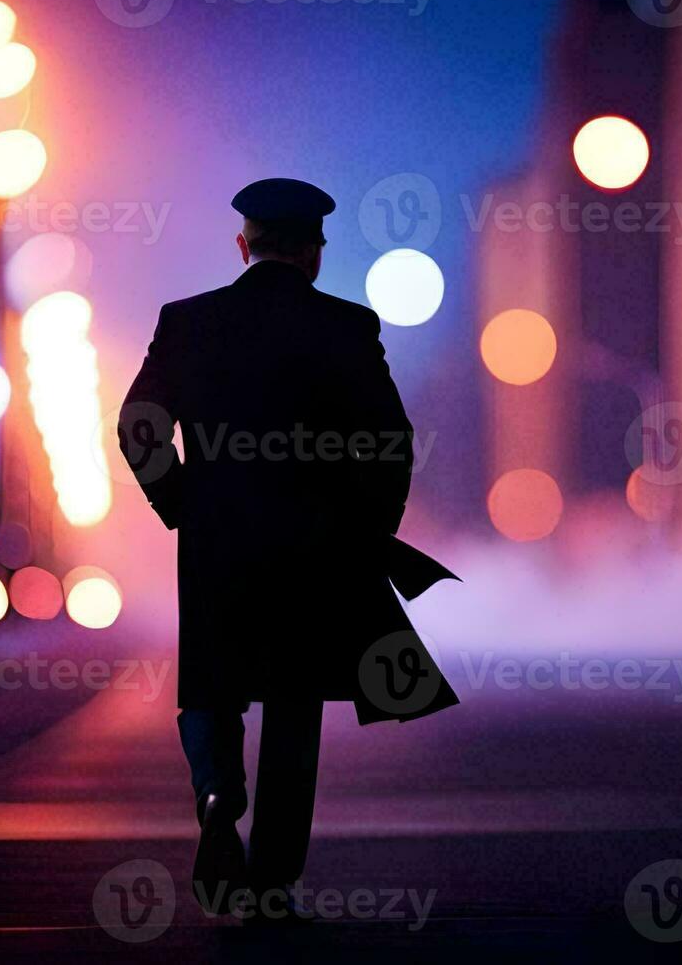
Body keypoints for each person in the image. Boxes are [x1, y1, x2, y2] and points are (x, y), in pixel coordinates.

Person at [118, 178, 459, 923]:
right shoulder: (346, 326)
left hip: (217, 542)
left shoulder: (188, 321)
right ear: (314, 253)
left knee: (210, 683)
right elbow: (390, 443)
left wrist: (180, 501)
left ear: (244, 247)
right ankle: (272, 881)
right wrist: (369, 525)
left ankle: (215, 799)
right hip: (314, 549)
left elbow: (138, 424)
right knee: (293, 704)